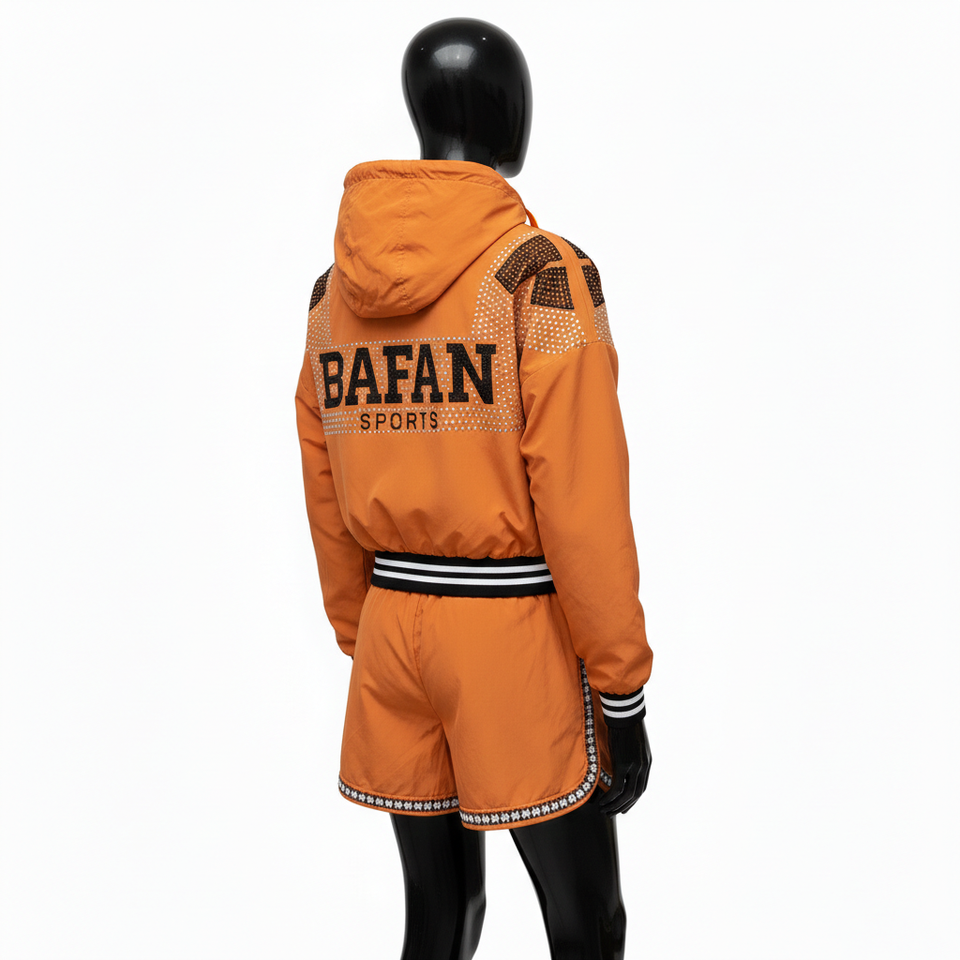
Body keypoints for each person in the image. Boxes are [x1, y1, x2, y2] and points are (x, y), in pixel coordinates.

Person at [295, 18, 653, 960]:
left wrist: (362, 630)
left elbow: (322, 478)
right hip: (508, 636)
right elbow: (582, 498)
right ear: (505, 112)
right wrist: (620, 690)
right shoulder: (539, 276)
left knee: (440, 914)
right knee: (589, 921)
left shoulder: (334, 295)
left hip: (391, 629)